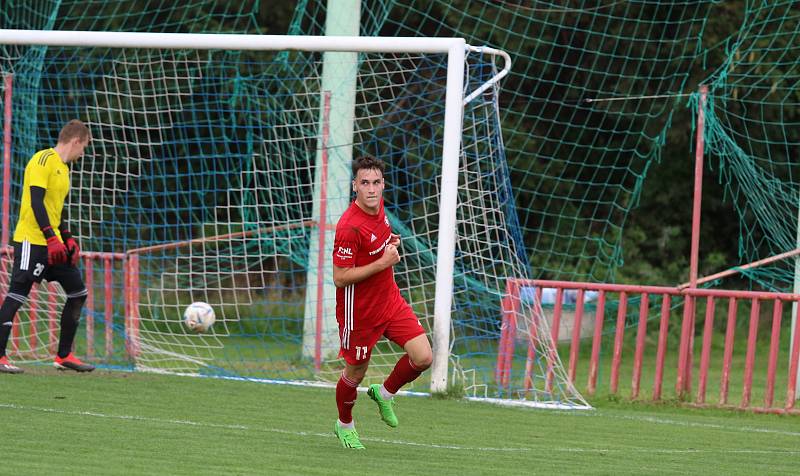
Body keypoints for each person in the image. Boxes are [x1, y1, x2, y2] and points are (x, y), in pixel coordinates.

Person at [331, 155, 432, 449]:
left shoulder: (380, 209)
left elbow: (376, 245)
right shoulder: (349, 227)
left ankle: (384, 393)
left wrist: (388, 245)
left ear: (383, 184)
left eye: (376, 182)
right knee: (356, 372)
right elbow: (340, 277)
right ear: (355, 187)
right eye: (365, 183)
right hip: (358, 312)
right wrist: (383, 261)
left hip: (389, 301)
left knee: (424, 357)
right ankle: (345, 423)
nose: (371, 189)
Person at [0, 119, 95, 374]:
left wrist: (67, 237)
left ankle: (64, 355)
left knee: (78, 293)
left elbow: (56, 210)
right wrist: (50, 238)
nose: (82, 153)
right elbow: (37, 202)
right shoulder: (42, 160)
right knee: (18, 293)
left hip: (52, 242)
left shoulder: (64, 170)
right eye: (83, 147)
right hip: (32, 239)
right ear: (75, 141)